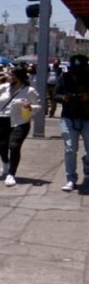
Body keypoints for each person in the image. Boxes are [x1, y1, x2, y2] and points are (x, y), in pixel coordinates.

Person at [0, 67, 41, 187]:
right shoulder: (3, 87)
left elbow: (39, 106)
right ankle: (5, 162)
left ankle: (11, 174)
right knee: (2, 146)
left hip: (20, 121)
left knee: (14, 146)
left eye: (10, 75)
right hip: (2, 120)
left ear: (18, 77)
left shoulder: (29, 90)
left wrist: (30, 107)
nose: (7, 76)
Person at [55, 55, 89, 192]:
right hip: (69, 117)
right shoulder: (64, 77)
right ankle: (70, 179)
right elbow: (56, 95)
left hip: (87, 117)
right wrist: (64, 97)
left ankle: (87, 162)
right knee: (70, 149)